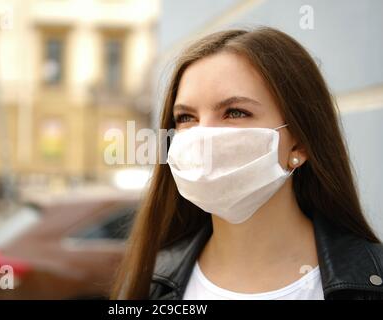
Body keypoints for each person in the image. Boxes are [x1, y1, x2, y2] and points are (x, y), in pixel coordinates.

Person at [110, 27, 383, 300]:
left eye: (235, 112)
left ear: (299, 143)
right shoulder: (152, 283)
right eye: (185, 117)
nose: (202, 136)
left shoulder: (371, 281)